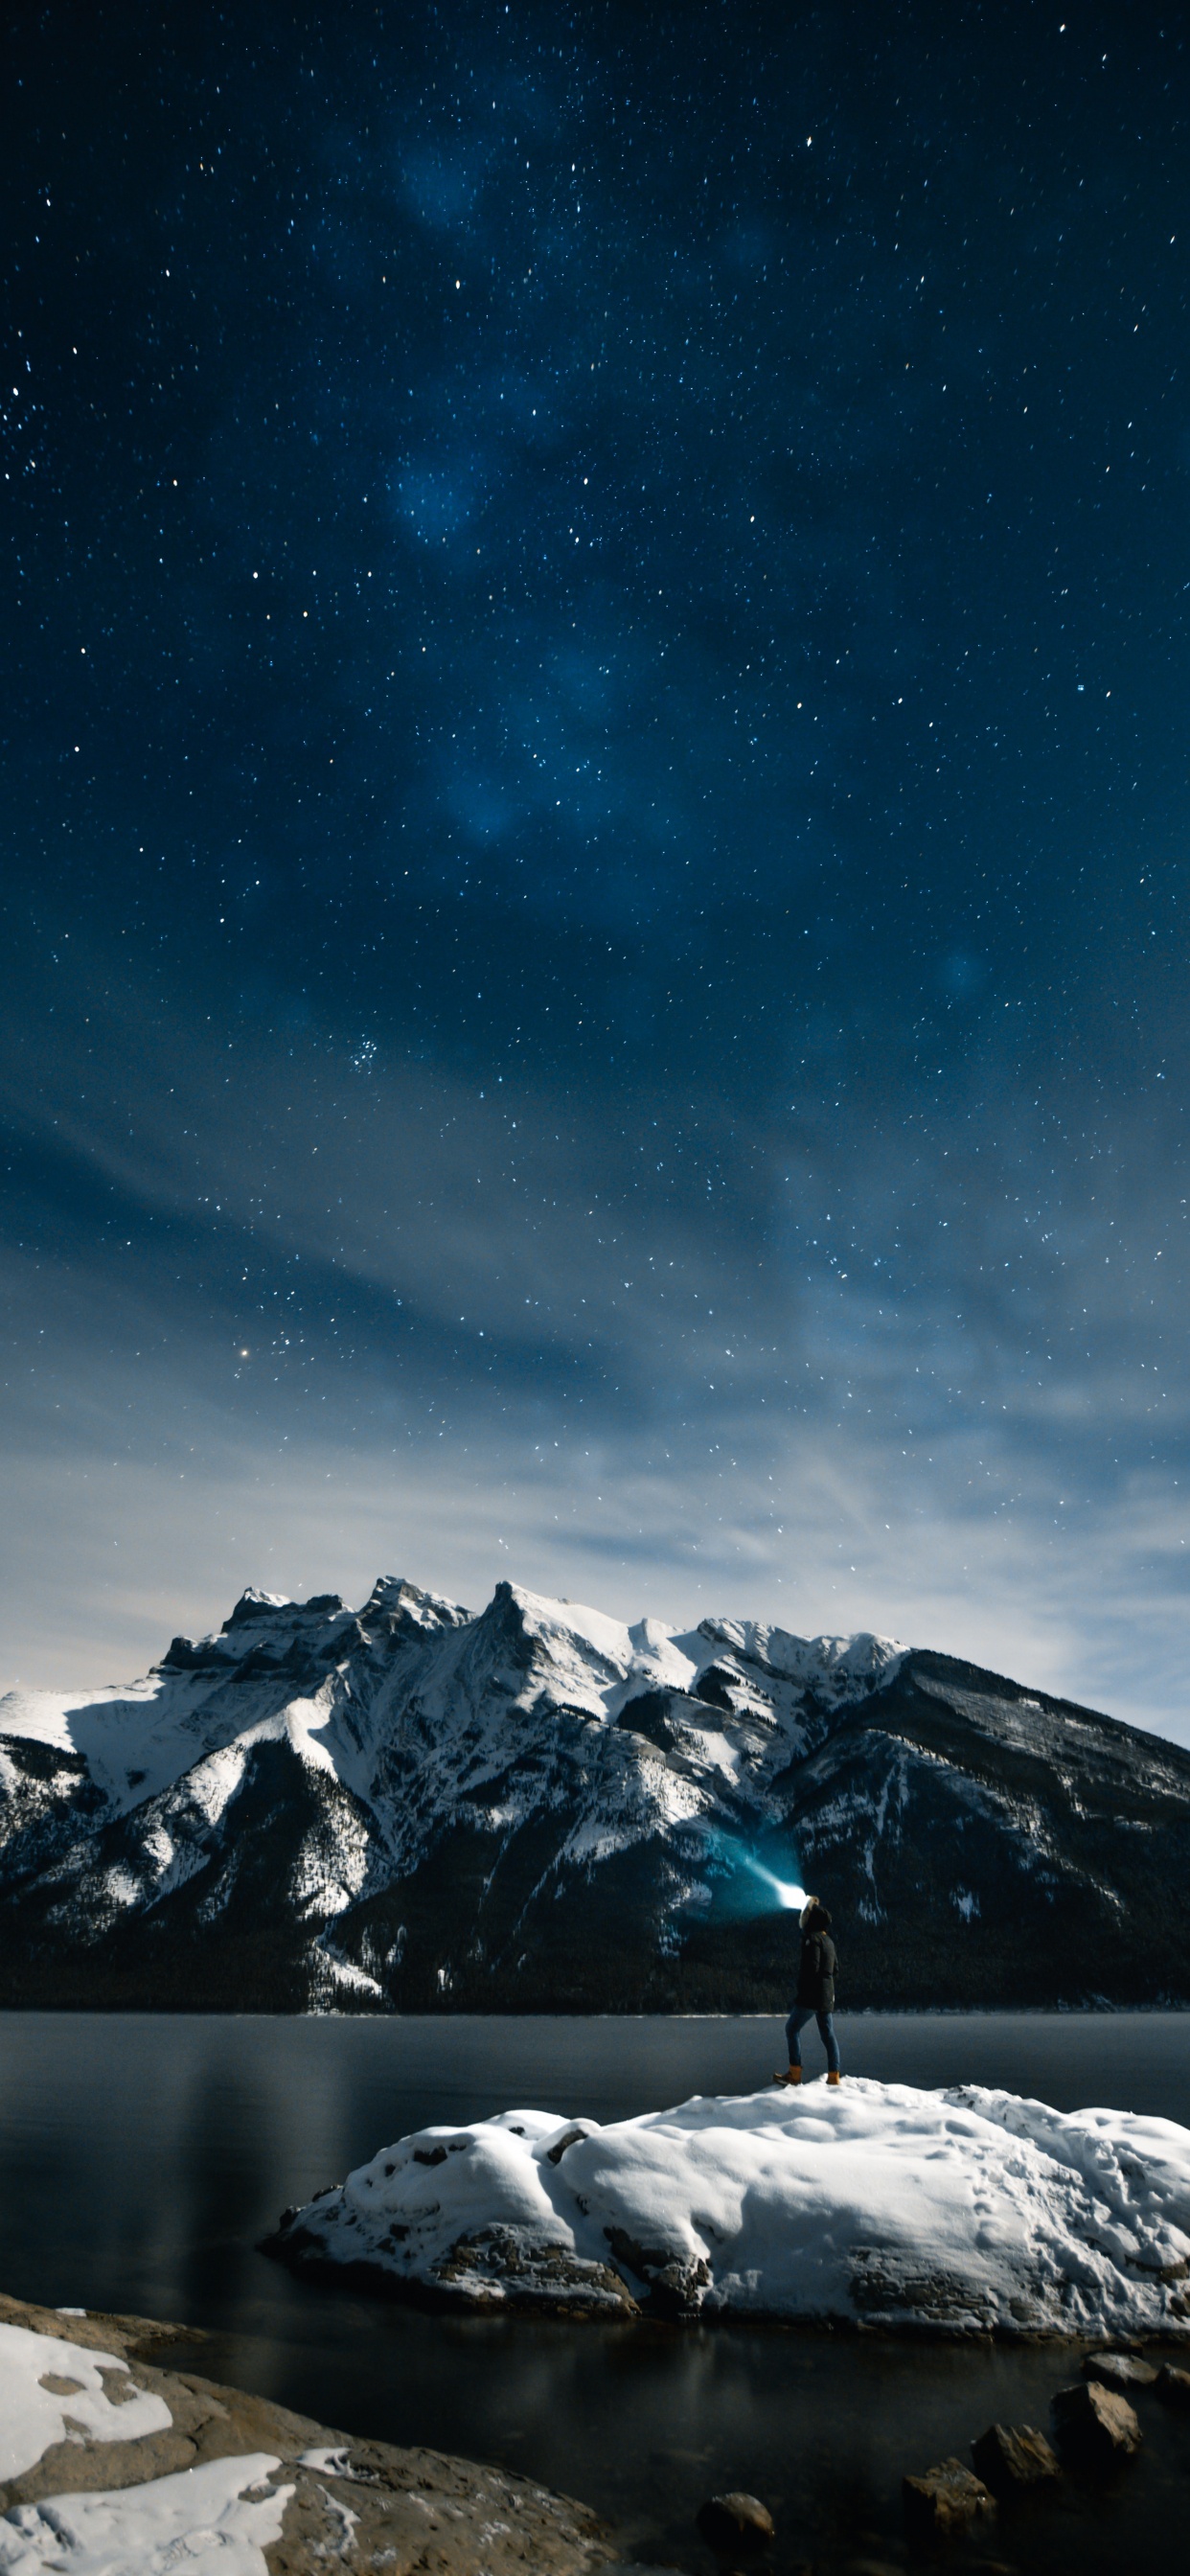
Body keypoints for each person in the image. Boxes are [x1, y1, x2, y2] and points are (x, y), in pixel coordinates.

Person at [773, 1898, 840, 2086]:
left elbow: (812, 1967)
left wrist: (803, 1990)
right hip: (827, 1995)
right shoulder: (829, 1942)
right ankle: (834, 2076)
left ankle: (795, 2074)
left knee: (791, 2029)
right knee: (828, 2035)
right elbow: (835, 1969)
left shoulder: (812, 1939)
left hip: (812, 1996)